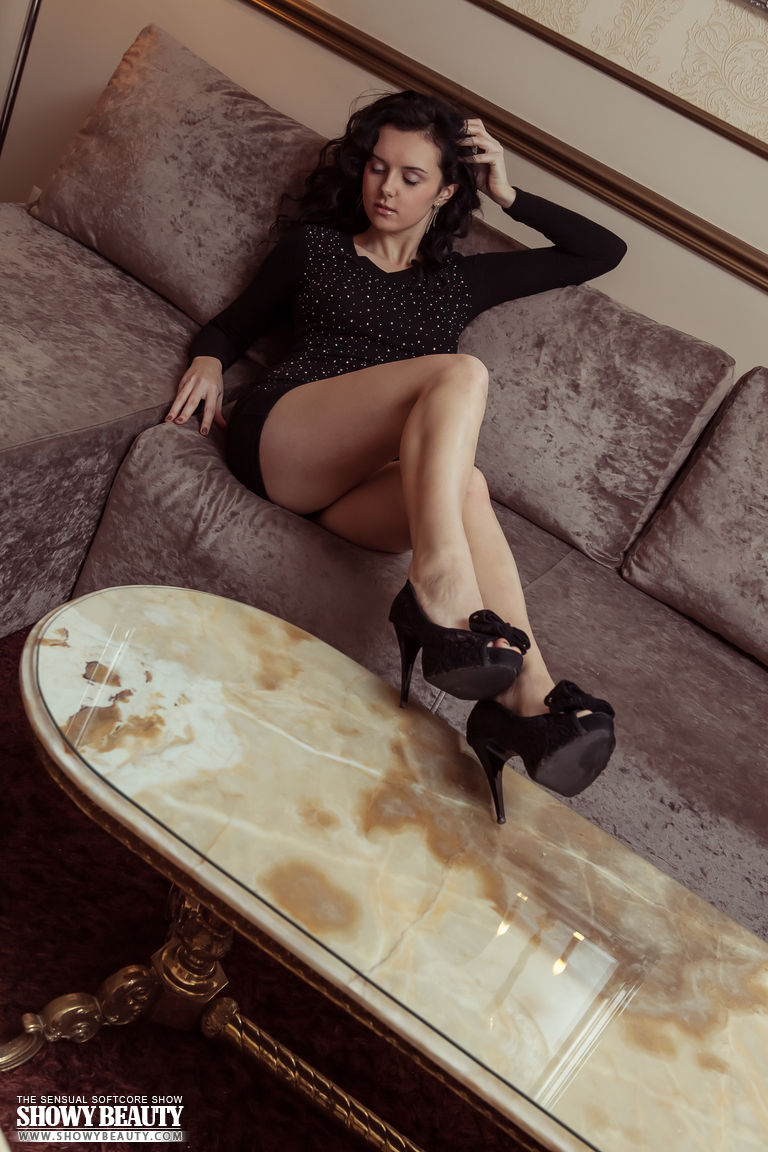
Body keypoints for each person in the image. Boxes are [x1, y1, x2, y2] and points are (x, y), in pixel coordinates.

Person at [166, 90, 627, 823]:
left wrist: (508, 193)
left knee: (469, 484)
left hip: (358, 496)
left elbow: (601, 253)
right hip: (284, 438)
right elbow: (232, 324)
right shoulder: (316, 249)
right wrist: (209, 359)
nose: (385, 188)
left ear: (445, 192)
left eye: (412, 177)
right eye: (378, 167)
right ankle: (439, 585)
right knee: (461, 373)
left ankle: (528, 699)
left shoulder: (461, 283)